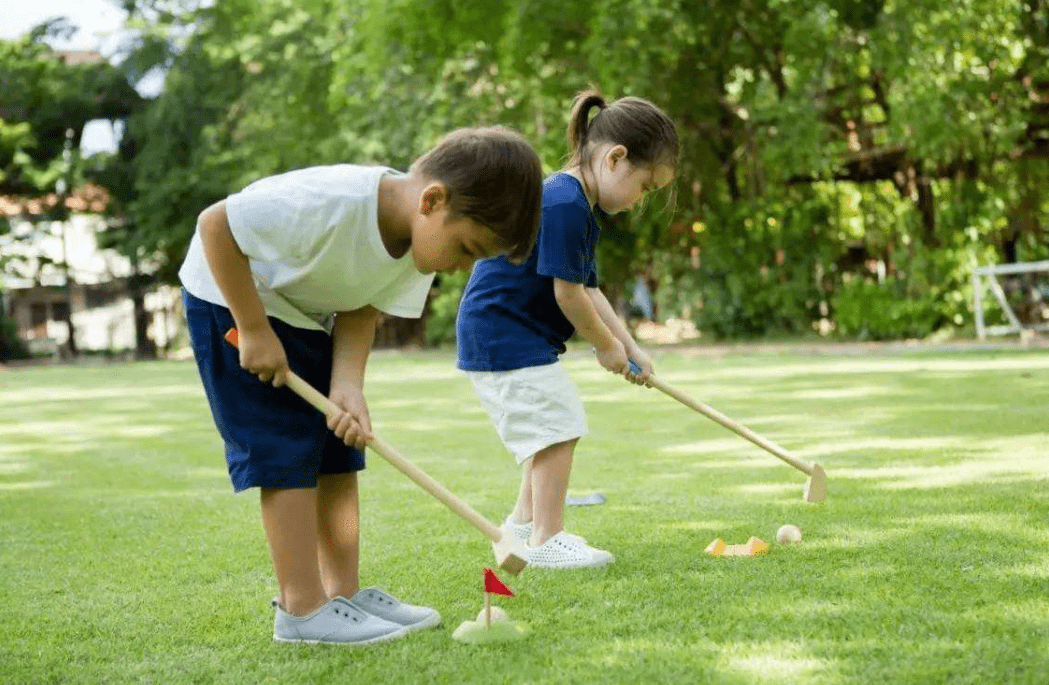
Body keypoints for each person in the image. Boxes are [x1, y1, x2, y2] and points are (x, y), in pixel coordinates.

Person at [178, 127, 542, 644]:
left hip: (305, 314)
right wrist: (255, 330)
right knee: (285, 447)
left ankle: (340, 596)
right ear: (433, 200)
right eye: (467, 249)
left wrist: (348, 384)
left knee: (338, 449)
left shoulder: (417, 242)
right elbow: (216, 225)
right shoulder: (330, 202)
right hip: (231, 300)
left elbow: (362, 305)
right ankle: (302, 610)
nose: (463, 267)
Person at [456, 90, 679, 569]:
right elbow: (568, 295)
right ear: (616, 158)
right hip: (502, 333)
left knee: (548, 427)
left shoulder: (575, 203)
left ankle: (522, 525)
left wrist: (631, 347)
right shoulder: (564, 202)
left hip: (512, 334)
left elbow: (590, 289)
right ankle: (548, 538)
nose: (642, 201)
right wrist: (604, 349)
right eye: (646, 186)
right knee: (559, 424)